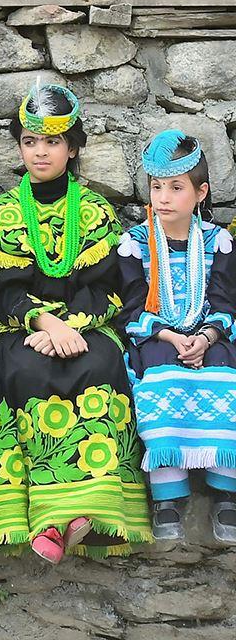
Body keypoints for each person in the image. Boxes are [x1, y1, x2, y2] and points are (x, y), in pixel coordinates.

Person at [0, 84, 148, 560]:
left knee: (103, 362)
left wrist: (71, 327)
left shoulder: (97, 212)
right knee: (22, 368)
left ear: (72, 147)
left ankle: (89, 517)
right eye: (30, 141)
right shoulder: (3, 214)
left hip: (86, 329)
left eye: (53, 142)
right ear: (19, 147)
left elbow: (110, 289)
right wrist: (43, 324)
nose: (40, 151)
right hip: (17, 330)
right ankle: (45, 519)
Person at [119, 129, 236, 544]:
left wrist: (205, 337)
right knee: (158, 370)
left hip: (209, 335)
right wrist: (169, 336)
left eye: (175, 187)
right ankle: (168, 493)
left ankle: (226, 492)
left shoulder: (217, 242)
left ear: (200, 192)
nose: (163, 197)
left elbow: (225, 301)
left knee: (224, 370)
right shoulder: (134, 244)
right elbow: (131, 307)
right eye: (156, 187)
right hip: (157, 335)